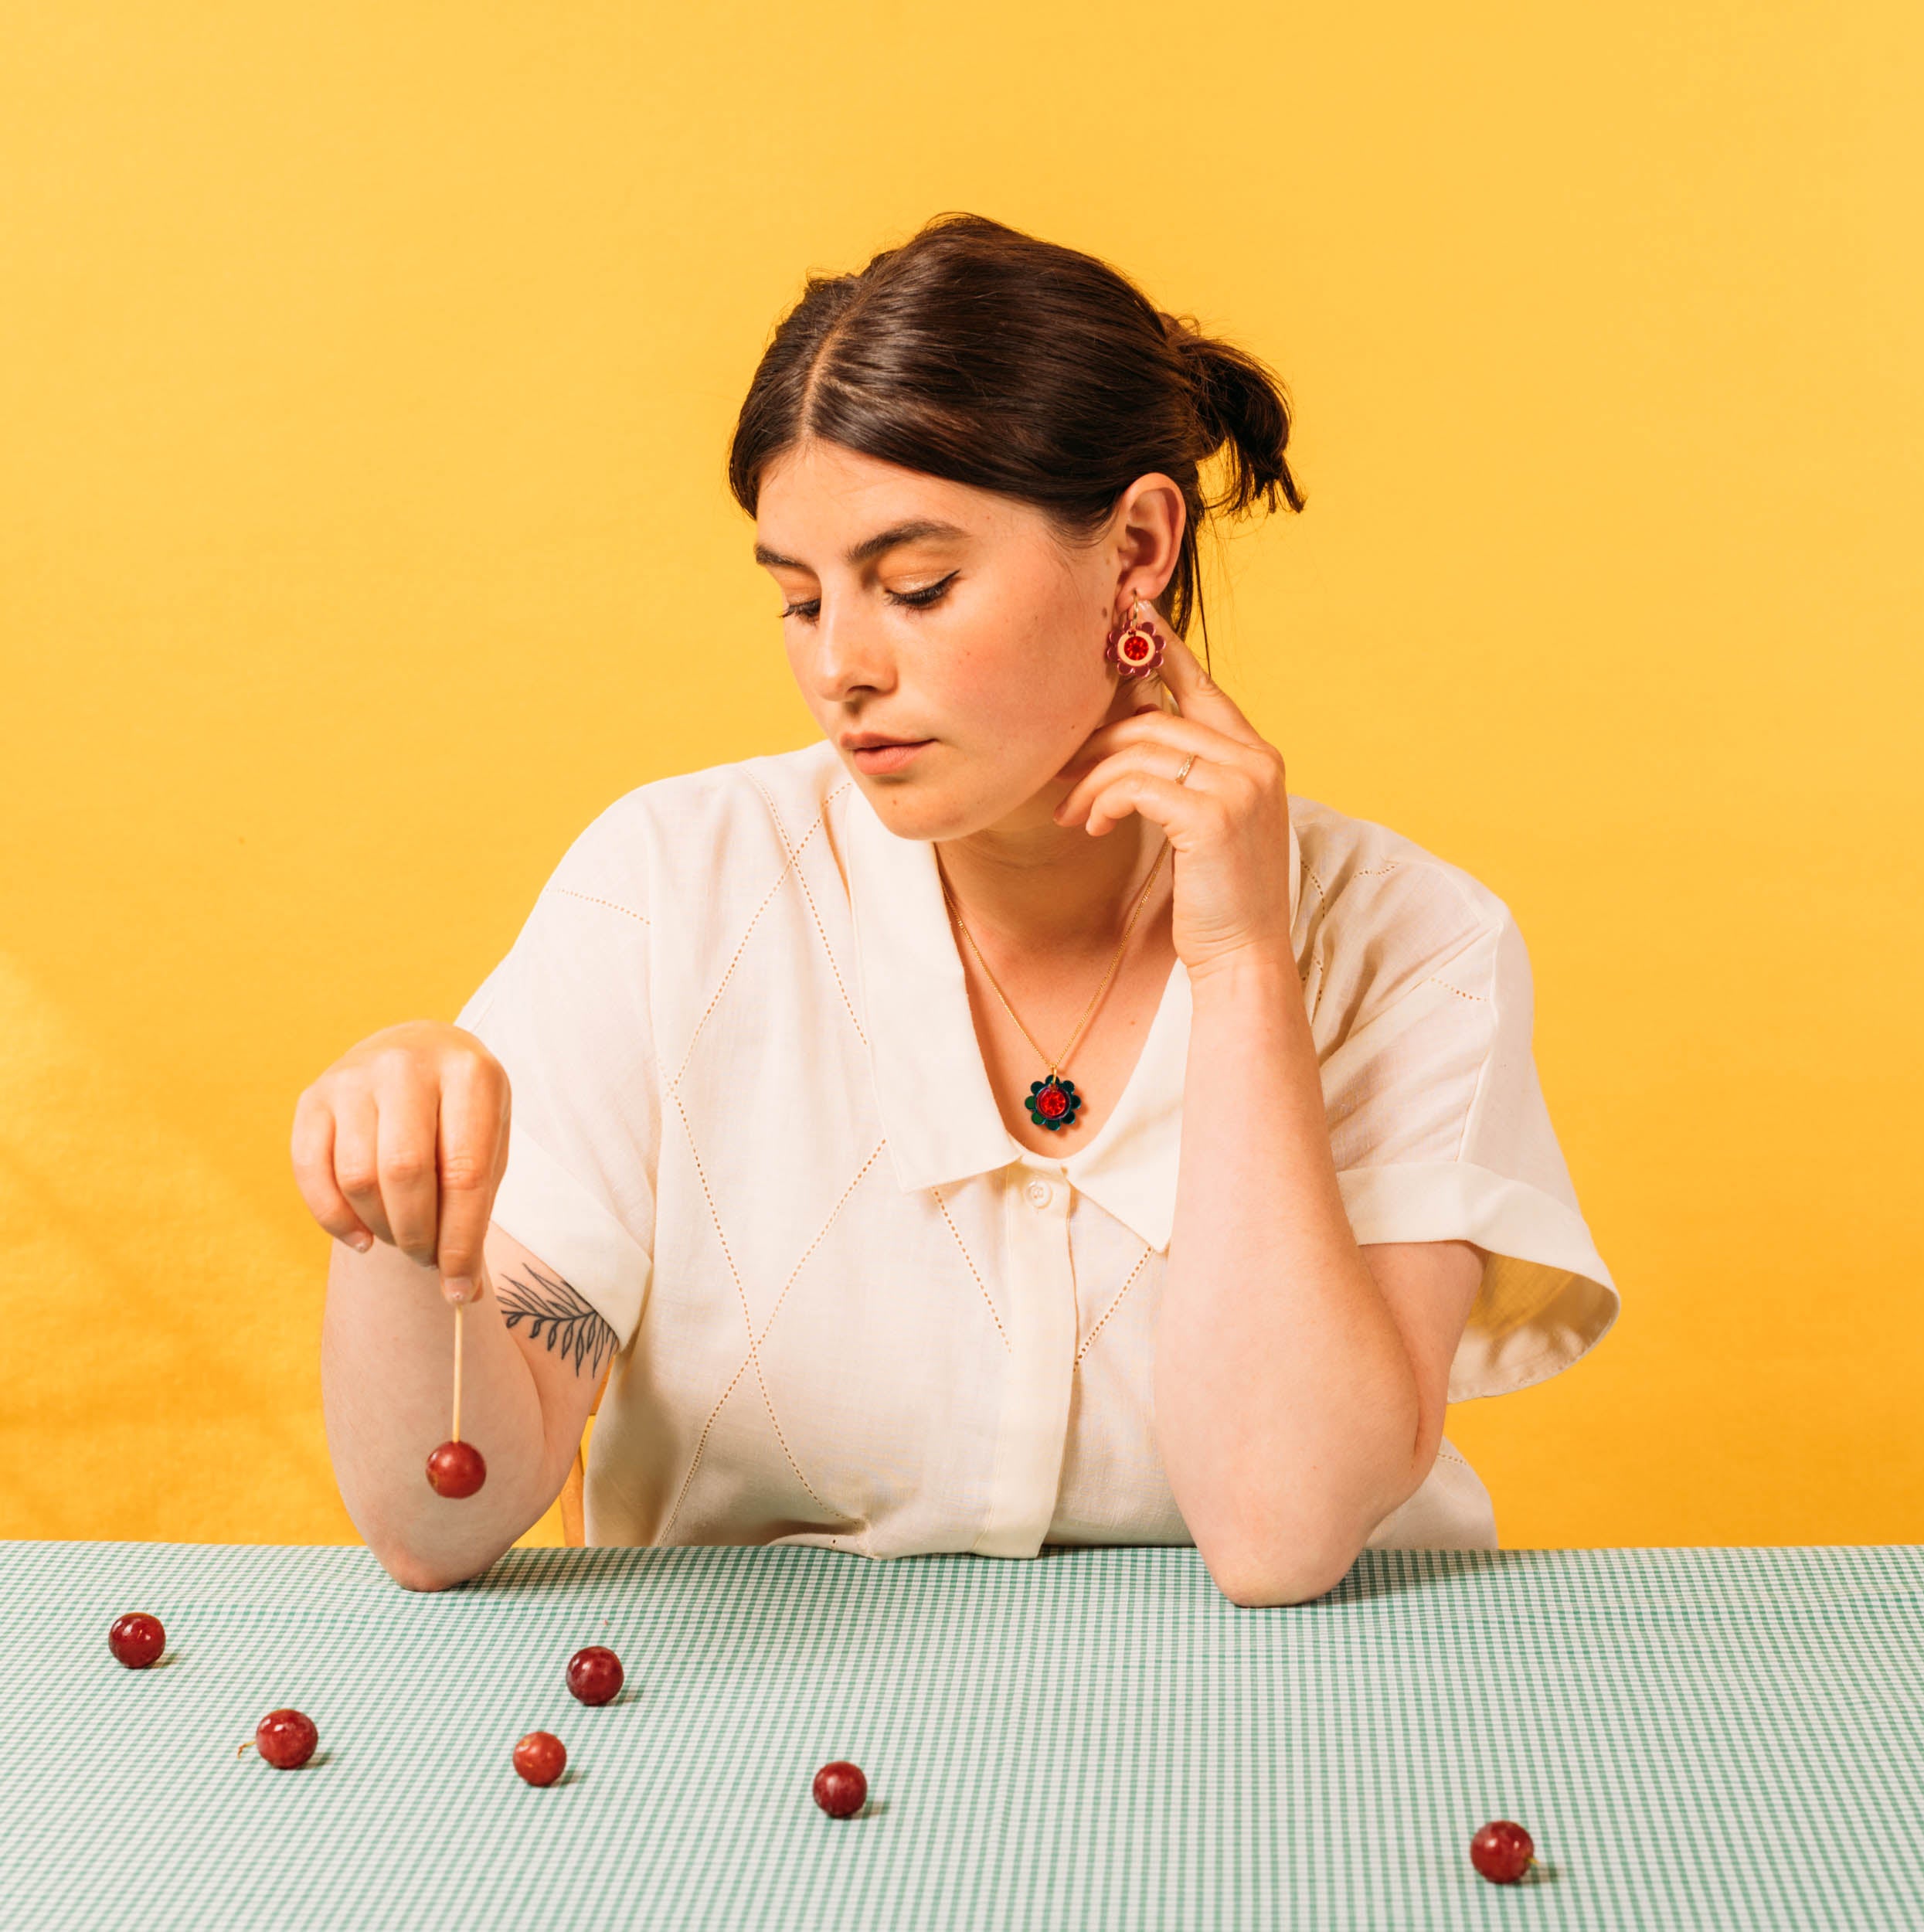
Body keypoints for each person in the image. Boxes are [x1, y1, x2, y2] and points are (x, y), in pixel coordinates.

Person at [294, 212, 1620, 1605]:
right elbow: (439, 1521)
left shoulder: (1413, 945)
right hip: (766, 1757)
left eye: (916, 587)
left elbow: (1284, 1534)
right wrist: (395, 1209)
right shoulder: (668, 892)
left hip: (1286, 1752)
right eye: (801, 604)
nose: (844, 668)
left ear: (1139, 547)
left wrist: (1240, 967)